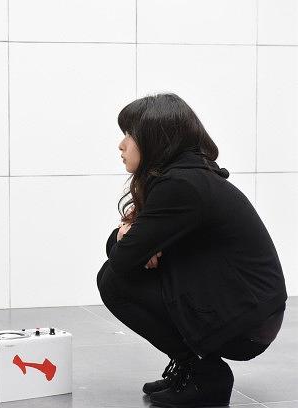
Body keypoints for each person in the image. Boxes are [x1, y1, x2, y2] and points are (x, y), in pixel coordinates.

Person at [97, 93, 286, 408]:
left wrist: (129, 239)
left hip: (247, 323)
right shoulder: (186, 176)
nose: (121, 145)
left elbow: (123, 259)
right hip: (247, 309)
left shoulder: (182, 185)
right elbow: (125, 249)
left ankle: (205, 375)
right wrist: (128, 238)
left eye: (130, 135)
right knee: (116, 275)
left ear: (155, 139)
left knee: (114, 282)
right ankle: (192, 368)